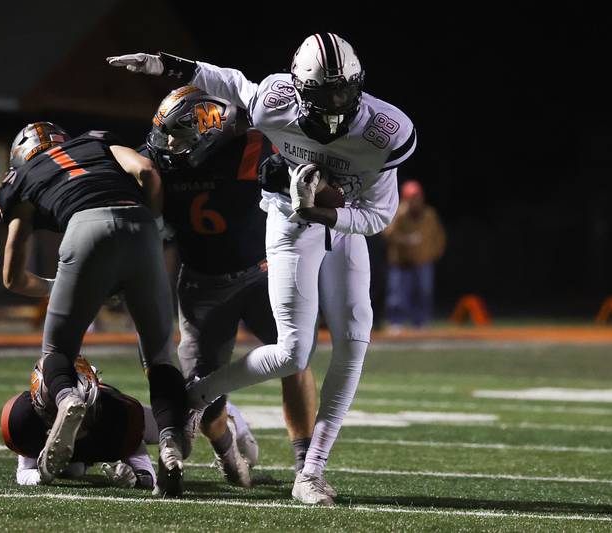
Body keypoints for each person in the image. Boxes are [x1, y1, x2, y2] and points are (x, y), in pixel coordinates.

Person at [108, 32, 416, 505]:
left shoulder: (384, 130)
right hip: (290, 219)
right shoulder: (276, 102)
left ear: (358, 85)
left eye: (343, 90)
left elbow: (377, 218)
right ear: (299, 91)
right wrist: (166, 65)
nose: (335, 101)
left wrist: (325, 212)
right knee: (294, 352)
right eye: (323, 93)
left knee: (354, 341)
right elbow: (228, 82)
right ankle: (197, 396)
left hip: (343, 222)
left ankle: (310, 472)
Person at [0, 123, 188, 497]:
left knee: (57, 352)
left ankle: (67, 400)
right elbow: (147, 171)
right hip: (142, 227)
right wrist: (156, 225)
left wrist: (66, 286)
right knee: (161, 357)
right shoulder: (95, 141)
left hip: (85, 229)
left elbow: (12, 278)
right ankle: (169, 444)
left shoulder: (20, 177)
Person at [142, 86, 319, 486]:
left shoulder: (251, 147)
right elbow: (135, 162)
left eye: (180, 135)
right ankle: (227, 449)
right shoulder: (159, 161)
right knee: (200, 395)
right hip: (203, 283)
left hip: (263, 273)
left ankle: (307, 464)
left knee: (297, 355)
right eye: (166, 133)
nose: (169, 144)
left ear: (208, 132)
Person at [1, 355, 156, 489]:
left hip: (109, 409)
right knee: (70, 470)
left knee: (174, 429)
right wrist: (40, 476)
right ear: (40, 407)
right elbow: (24, 472)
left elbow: (143, 465)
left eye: (84, 411)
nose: (77, 423)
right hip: (82, 451)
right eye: (62, 414)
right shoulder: (25, 419)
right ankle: (78, 463)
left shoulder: (115, 413)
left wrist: (138, 477)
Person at [383, 180, 445, 329]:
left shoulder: (429, 214)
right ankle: (396, 322)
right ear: (405, 198)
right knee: (397, 295)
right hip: (401, 262)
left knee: (424, 292)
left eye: (417, 196)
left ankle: (421, 322)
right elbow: (387, 233)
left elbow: (439, 237)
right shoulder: (399, 213)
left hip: (423, 261)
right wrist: (405, 240)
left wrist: (434, 254)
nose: (415, 200)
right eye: (411, 197)